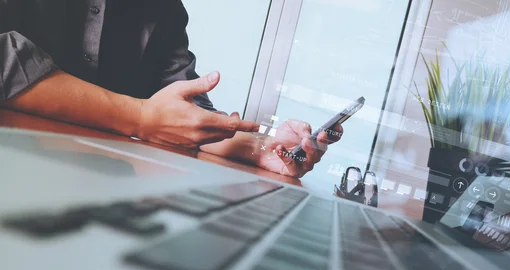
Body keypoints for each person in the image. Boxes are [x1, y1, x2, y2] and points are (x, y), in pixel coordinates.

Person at [0, 0, 341, 178]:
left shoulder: (163, 9)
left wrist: (261, 148)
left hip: (100, 191)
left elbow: (181, 116)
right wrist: (139, 117)